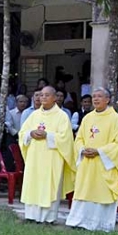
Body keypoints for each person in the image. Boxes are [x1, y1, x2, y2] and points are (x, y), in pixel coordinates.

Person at [66, 88, 118, 231]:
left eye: (100, 96)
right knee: (85, 190)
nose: (96, 99)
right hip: (87, 163)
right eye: (94, 96)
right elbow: (79, 138)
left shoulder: (115, 119)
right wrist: (82, 149)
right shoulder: (87, 118)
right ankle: (80, 222)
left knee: (102, 192)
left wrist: (99, 151)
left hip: (103, 164)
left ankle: (101, 225)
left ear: (108, 99)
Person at [18, 86, 75, 223]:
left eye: (46, 95)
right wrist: (31, 134)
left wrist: (47, 135)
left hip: (52, 158)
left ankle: (48, 218)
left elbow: (66, 139)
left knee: (49, 185)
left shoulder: (62, 116)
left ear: (55, 98)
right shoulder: (34, 115)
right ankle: (31, 216)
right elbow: (22, 133)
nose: (42, 97)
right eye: (41, 95)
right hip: (35, 158)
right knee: (33, 184)